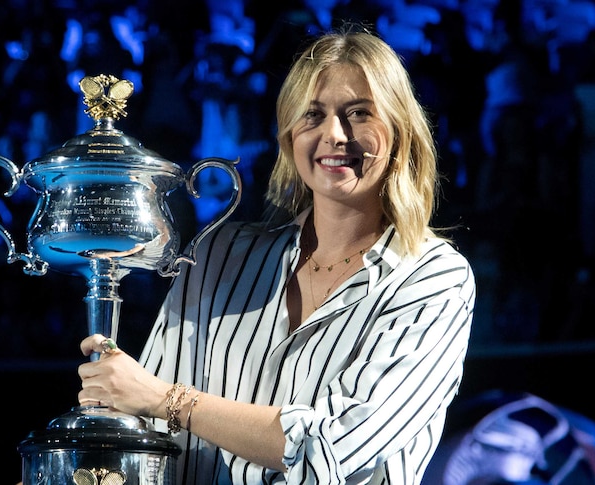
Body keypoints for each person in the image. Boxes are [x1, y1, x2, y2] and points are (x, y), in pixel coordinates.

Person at [77, 25, 476, 485]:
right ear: (288, 137)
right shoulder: (217, 255)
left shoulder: (435, 278)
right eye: (313, 114)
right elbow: (152, 437)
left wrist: (169, 400)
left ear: (400, 131)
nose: (335, 134)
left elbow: (330, 448)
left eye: (359, 113)